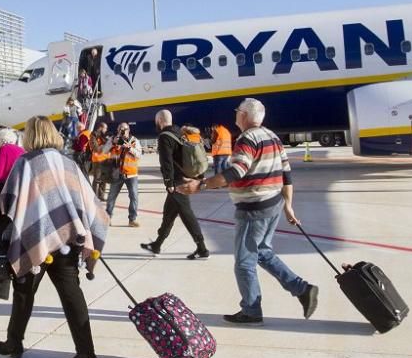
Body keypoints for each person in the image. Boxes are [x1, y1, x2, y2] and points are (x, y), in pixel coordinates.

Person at [181, 98, 318, 325]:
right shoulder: (272, 136)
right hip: (273, 203)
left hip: (254, 208)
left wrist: (200, 185)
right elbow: (286, 174)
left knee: (244, 262)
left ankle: (252, 310)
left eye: (237, 112)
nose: (235, 115)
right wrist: (288, 205)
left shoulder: (247, 138)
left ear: (244, 115)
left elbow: (237, 171)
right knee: (262, 252)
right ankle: (302, 289)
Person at [0, 115, 109, 358]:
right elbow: (89, 201)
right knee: (71, 294)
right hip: (70, 238)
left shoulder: (26, 163)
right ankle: (86, 353)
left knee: (24, 292)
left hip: (38, 240)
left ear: (31, 135)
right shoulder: (68, 162)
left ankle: (14, 343)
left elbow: (9, 200)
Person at [140, 109, 209, 260]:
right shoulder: (180, 132)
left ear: (159, 121)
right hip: (185, 178)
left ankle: (202, 249)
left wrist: (168, 183)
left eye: (156, 121)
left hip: (178, 183)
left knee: (187, 215)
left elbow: (166, 163)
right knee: (168, 214)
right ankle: (157, 245)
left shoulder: (164, 136)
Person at [105, 122, 141, 227]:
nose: (122, 131)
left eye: (124, 129)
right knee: (111, 196)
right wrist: (112, 142)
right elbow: (104, 150)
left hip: (131, 174)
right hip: (117, 174)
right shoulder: (114, 140)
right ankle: (107, 218)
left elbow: (139, 154)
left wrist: (129, 148)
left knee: (134, 197)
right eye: (120, 129)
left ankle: (132, 220)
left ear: (128, 130)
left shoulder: (134, 141)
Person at [89, 122, 110, 199]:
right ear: (101, 128)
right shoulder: (93, 135)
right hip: (97, 160)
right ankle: (94, 197)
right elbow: (95, 147)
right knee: (97, 179)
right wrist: (103, 147)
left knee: (104, 180)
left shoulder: (104, 137)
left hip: (105, 160)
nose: (106, 130)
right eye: (105, 128)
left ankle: (101, 196)